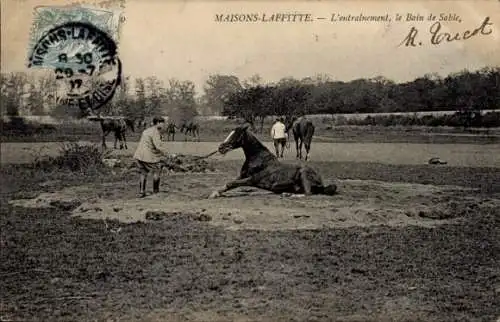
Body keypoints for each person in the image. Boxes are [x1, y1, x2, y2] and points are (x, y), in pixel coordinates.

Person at [133, 116, 168, 198]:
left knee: (143, 172)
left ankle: (142, 192)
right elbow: (158, 146)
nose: (163, 125)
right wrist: (167, 153)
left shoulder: (147, 130)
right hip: (147, 156)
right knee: (157, 170)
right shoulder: (155, 132)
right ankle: (156, 191)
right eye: (163, 123)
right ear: (158, 123)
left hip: (139, 156)